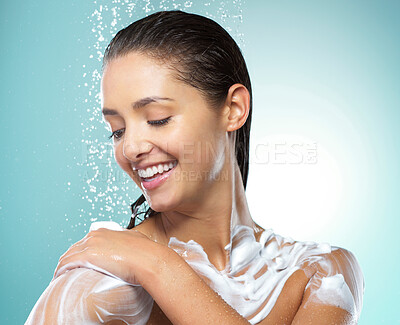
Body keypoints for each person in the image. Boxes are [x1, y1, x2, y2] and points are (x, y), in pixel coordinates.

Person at [25, 10, 364, 325]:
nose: (130, 148)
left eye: (158, 119)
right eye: (117, 130)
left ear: (233, 109)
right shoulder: (98, 285)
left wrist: (158, 266)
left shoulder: (321, 273)